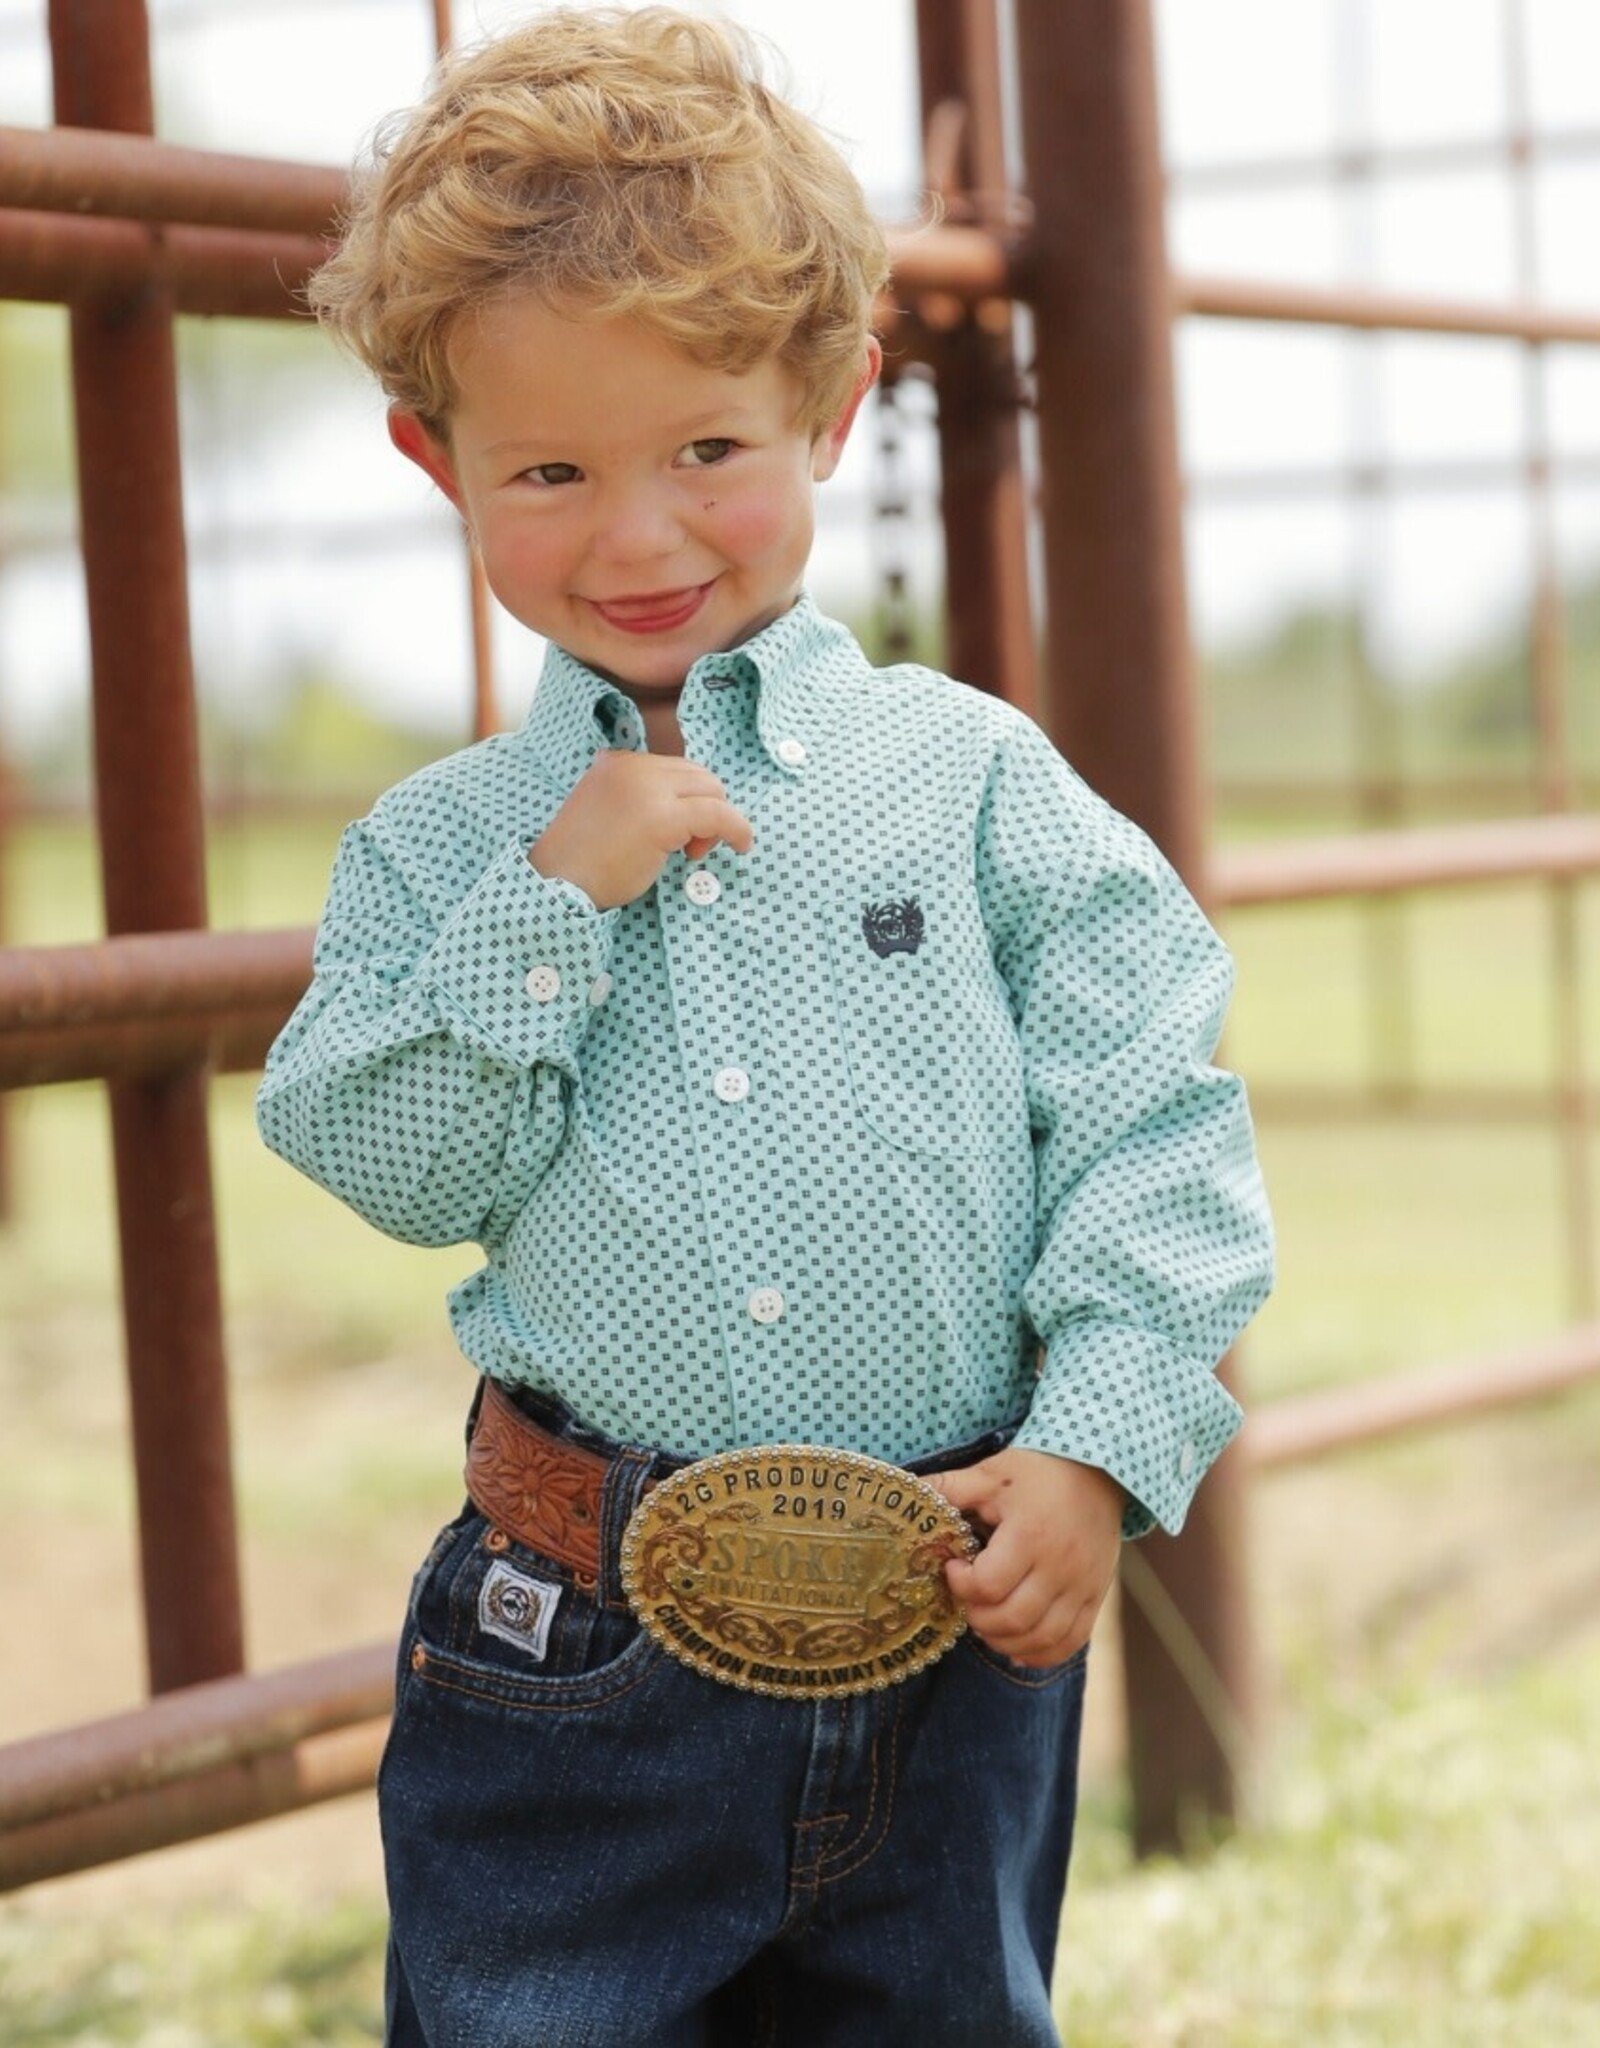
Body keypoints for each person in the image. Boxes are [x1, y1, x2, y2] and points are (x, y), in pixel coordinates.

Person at [255, 8, 1275, 2043]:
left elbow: (1155, 1107)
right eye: (547, 470)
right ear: (432, 457)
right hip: (572, 1653)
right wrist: (554, 905)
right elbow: (378, 1152)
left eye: (704, 451)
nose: (634, 539)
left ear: (829, 404)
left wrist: (1095, 1441)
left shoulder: (976, 782)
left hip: (954, 1611)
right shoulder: (446, 848)